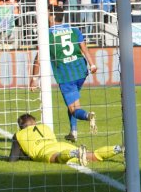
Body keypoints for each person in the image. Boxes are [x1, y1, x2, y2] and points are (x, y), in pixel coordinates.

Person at [29, 13, 98, 143]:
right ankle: (73, 131)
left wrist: (34, 78)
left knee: (74, 108)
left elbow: (38, 59)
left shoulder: (47, 34)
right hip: (81, 71)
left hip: (66, 74)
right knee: (72, 102)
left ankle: (88, 116)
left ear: (52, 18)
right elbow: (84, 49)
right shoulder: (74, 30)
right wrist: (92, 64)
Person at [8, 114, 122, 166]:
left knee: (58, 158)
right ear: (34, 122)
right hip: (61, 144)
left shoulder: (18, 135)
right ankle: (118, 148)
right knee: (93, 155)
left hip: (46, 152)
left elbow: (12, 159)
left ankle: (74, 153)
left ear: (21, 126)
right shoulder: (44, 127)